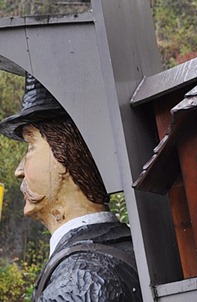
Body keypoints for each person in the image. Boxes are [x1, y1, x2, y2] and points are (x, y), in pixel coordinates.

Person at [0, 74, 142, 302]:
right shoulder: (129, 246)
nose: (19, 171)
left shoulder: (78, 281)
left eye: (30, 146)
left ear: (63, 157)